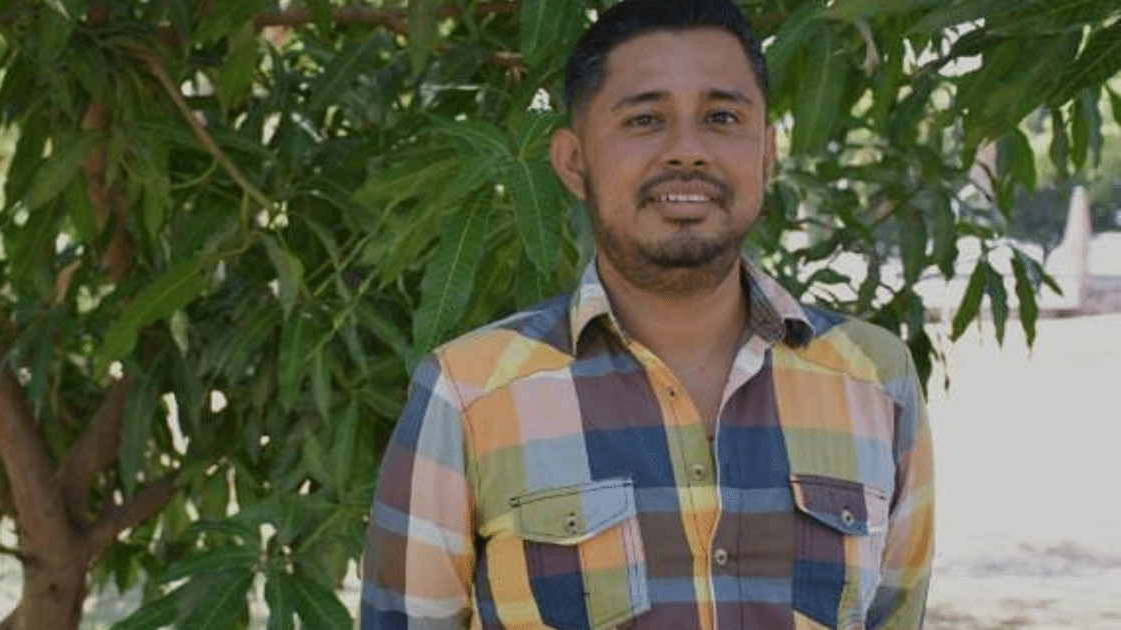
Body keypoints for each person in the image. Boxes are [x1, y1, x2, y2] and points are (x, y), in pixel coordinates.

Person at [358, 0, 934, 628]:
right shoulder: (469, 396)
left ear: (766, 153)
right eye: (645, 119)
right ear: (574, 162)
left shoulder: (875, 380)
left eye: (721, 117)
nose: (687, 150)